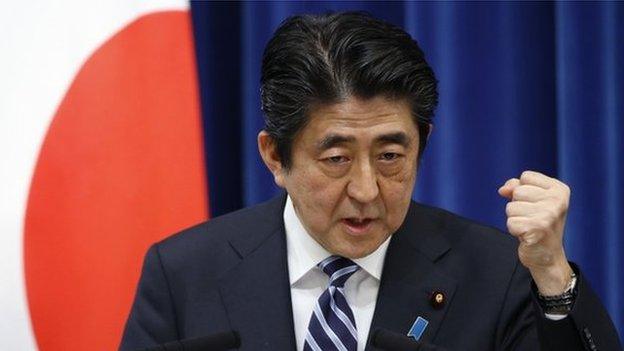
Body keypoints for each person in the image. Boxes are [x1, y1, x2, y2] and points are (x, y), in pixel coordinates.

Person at [120, 12, 622, 351]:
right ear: (275, 155)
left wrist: (553, 274)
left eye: (389, 156)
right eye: (336, 158)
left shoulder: (494, 273)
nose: (366, 190)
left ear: (422, 143)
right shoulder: (184, 274)